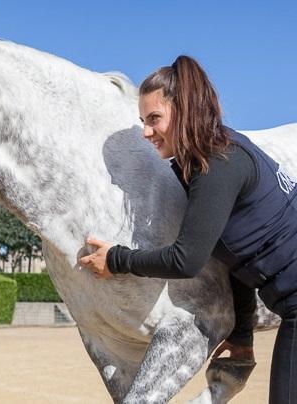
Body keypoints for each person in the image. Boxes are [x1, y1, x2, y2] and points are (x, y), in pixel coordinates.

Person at [79, 55, 297, 404]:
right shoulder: (208, 155)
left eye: (154, 119)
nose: (146, 132)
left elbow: (186, 260)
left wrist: (116, 259)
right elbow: (234, 258)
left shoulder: (218, 164)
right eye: (142, 121)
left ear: (185, 111)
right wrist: (241, 333)